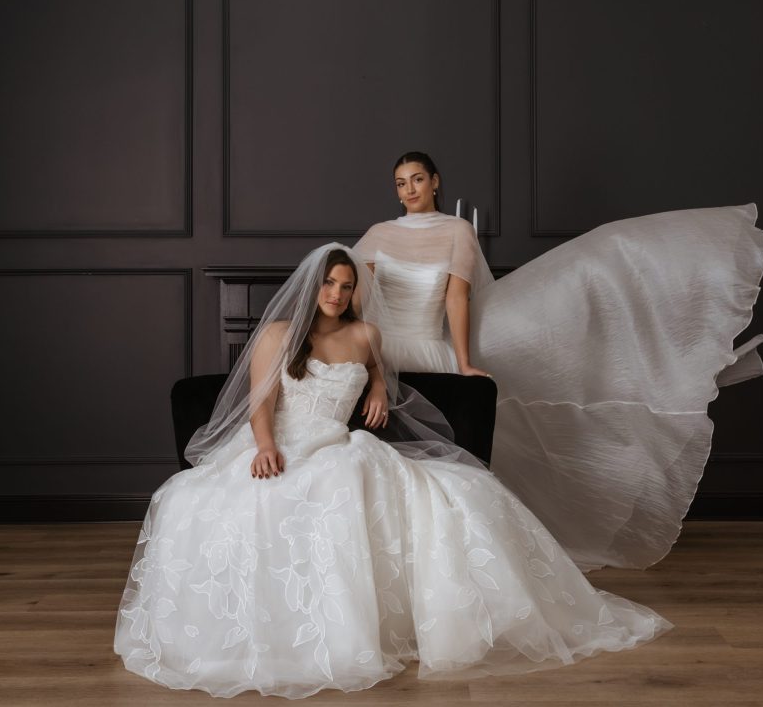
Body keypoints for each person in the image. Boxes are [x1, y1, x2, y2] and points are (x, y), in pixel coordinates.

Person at [114, 244, 670, 699]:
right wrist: (264, 447)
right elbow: (261, 402)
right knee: (211, 500)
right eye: (329, 284)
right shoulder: (280, 334)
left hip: (337, 442)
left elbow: (378, 373)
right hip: (278, 442)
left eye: (346, 286)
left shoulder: (366, 336)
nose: (337, 294)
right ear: (312, 286)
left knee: (441, 490)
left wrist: (378, 387)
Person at [353, 151, 763, 571]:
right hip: (382, 352)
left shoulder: (456, 230)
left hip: (430, 349)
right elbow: (359, 299)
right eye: (401, 183)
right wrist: (366, 363)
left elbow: (456, 299)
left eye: (417, 179)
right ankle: (388, 546)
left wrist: (462, 362)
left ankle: (444, 550)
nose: (409, 190)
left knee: (445, 454)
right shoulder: (379, 234)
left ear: (435, 181)